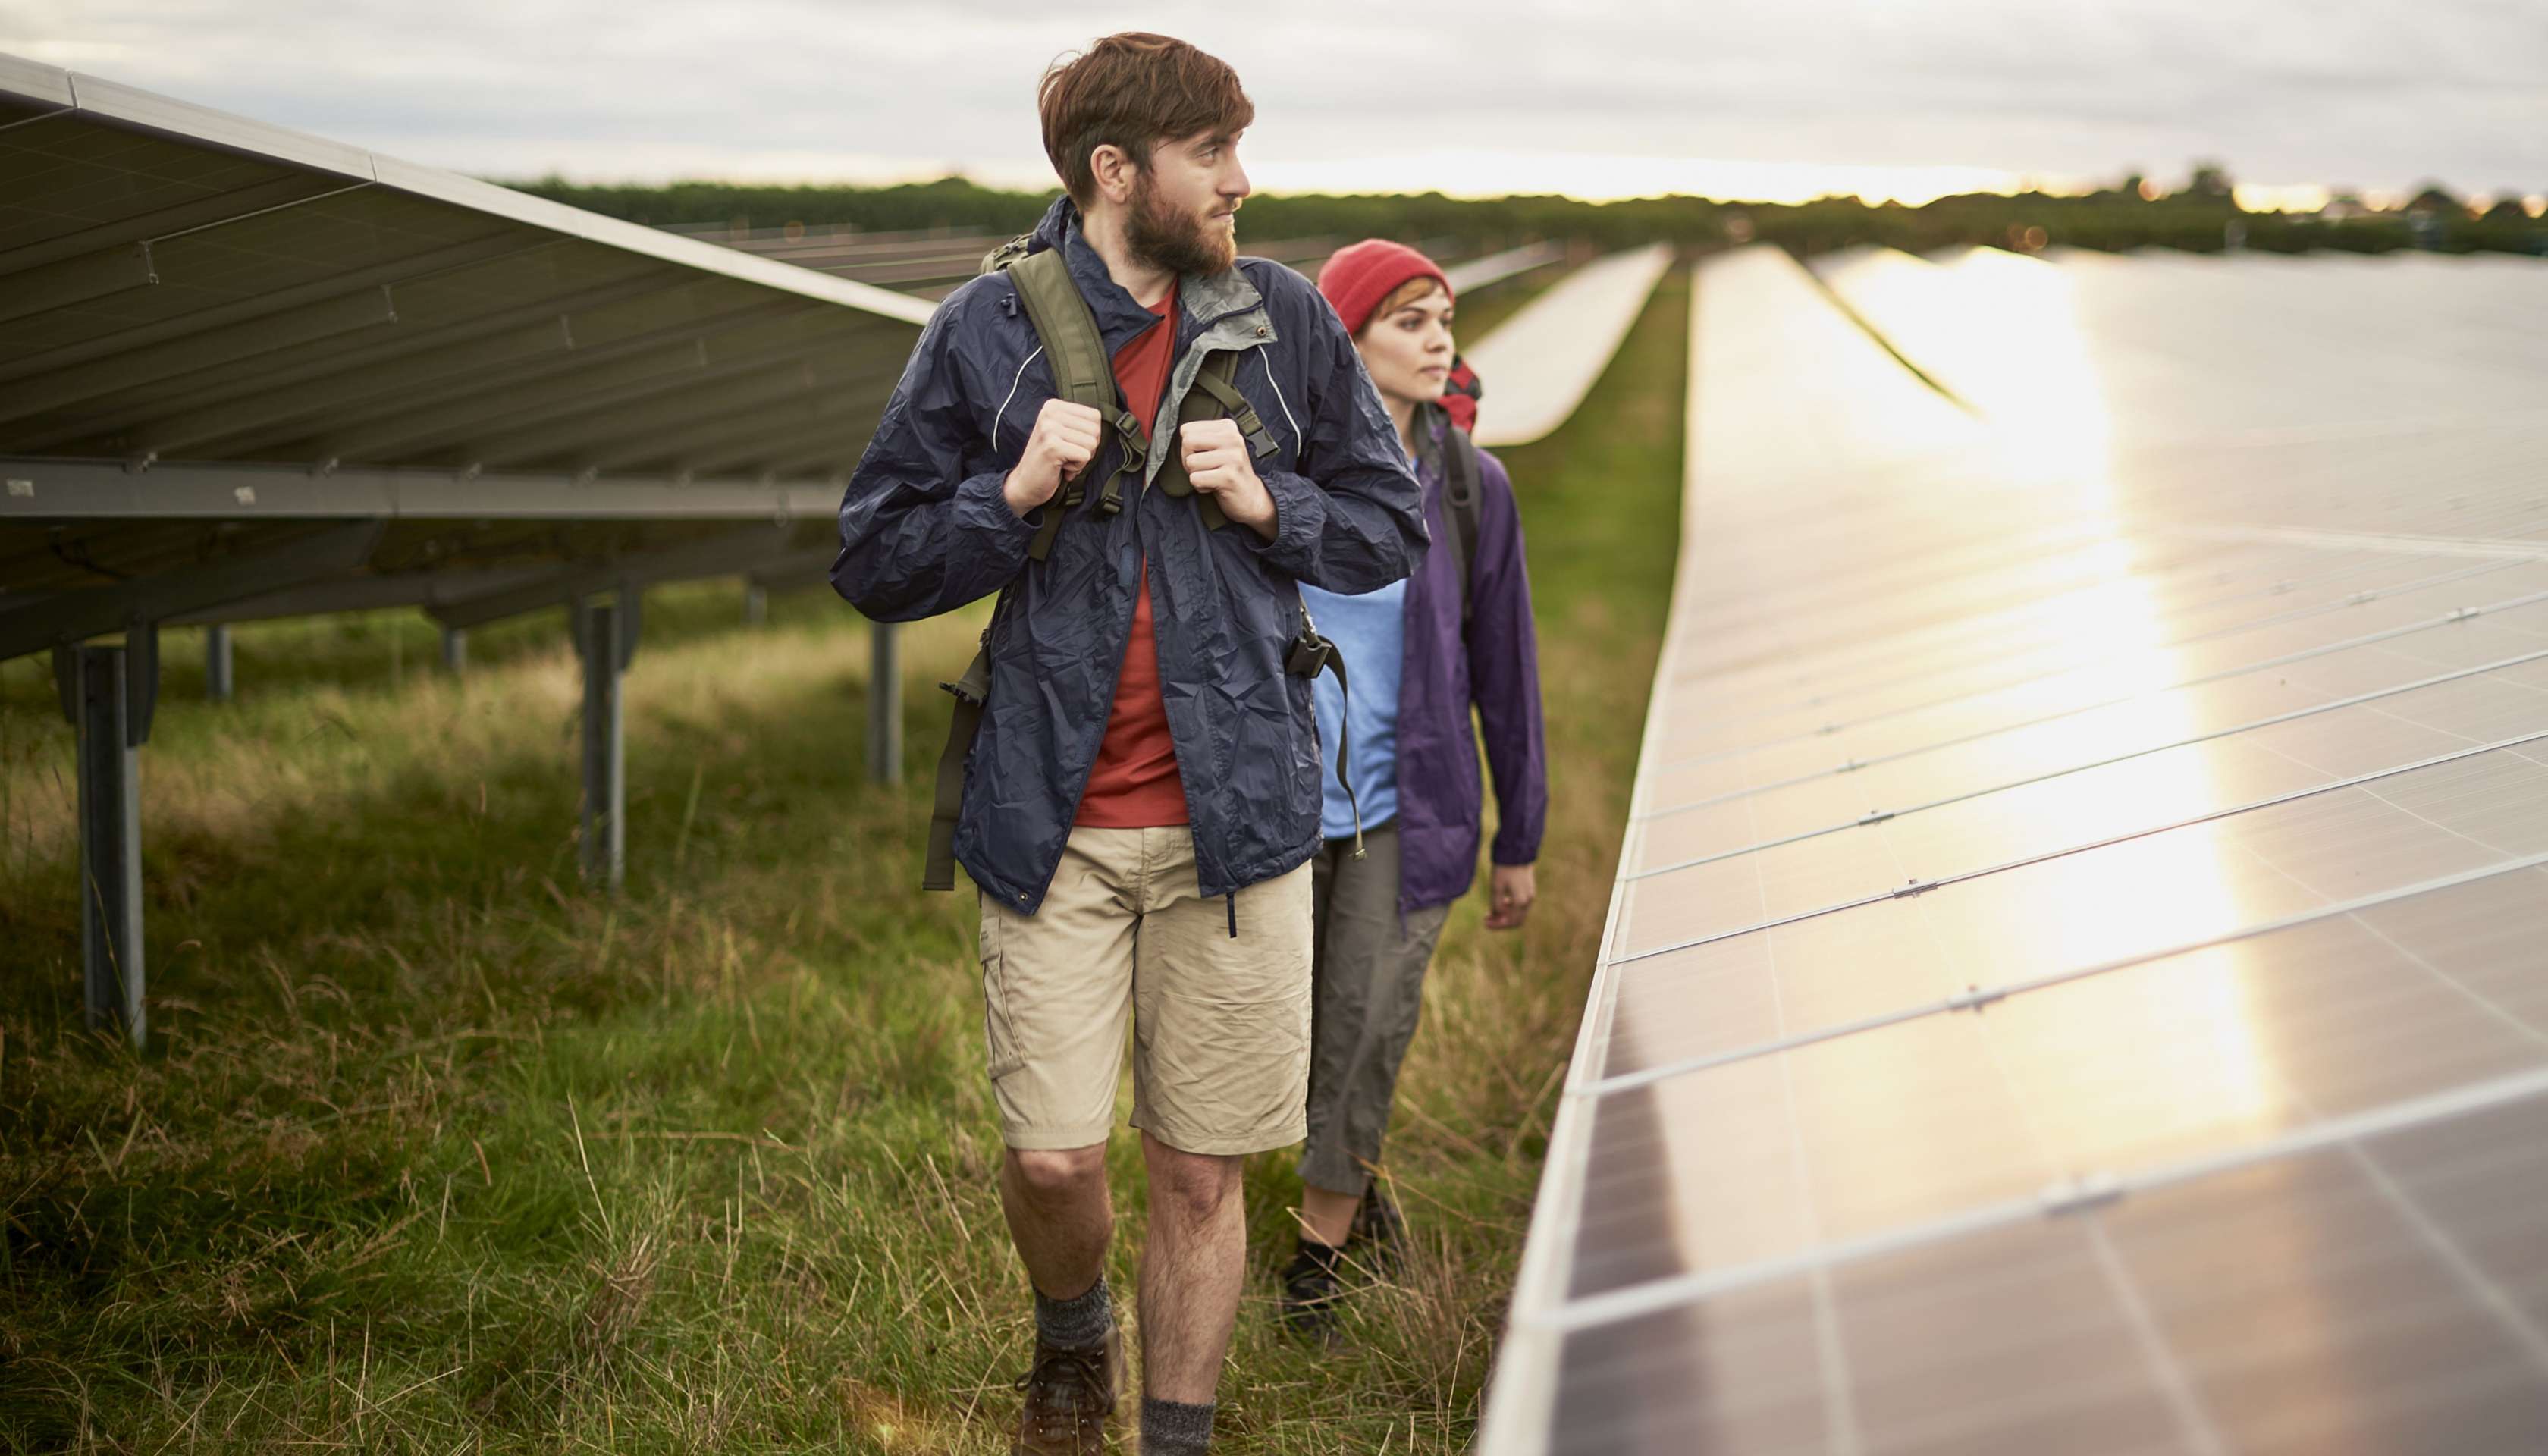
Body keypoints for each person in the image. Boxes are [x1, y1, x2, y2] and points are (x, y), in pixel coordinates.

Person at [828, 34, 1426, 1456]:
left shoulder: (1282, 320)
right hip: (1055, 821)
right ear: (1119, 172)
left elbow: (1389, 523)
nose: (1241, 181)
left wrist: (1272, 503)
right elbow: (873, 557)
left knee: (1202, 1175)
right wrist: (1014, 489)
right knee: (1052, 1156)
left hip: (1239, 826)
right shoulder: (986, 329)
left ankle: (1174, 1434)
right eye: (1212, 153)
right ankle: (1073, 1331)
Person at [1279, 240, 1547, 1337]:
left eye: (1445, 318)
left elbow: (1508, 671)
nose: (1441, 340)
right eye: (1410, 320)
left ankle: (1313, 1263)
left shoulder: (1472, 487)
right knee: (1288, 1033)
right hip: (1283, 803)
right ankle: (1355, 1183)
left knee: (1367, 1021)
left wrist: (1517, 835)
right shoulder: (1278, 472)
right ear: (1347, 339)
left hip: (1408, 804)